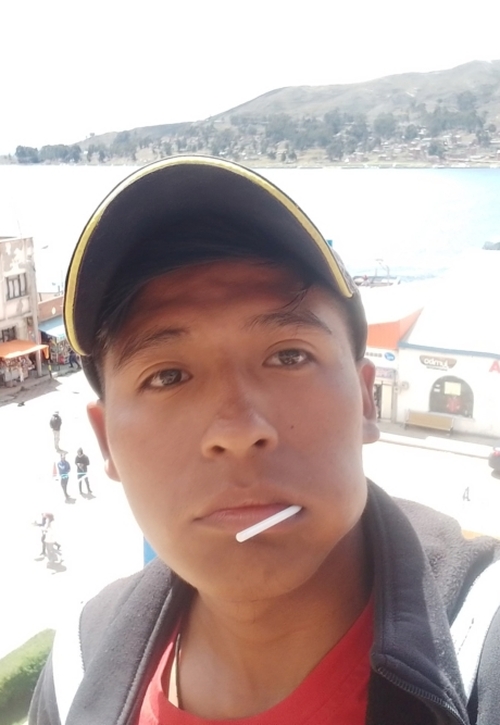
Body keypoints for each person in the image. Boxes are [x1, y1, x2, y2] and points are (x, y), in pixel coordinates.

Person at [30, 157, 500, 725]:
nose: (237, 431)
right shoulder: (79, 666)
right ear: (106, 441)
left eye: (289, 356)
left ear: (365, 399)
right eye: (168, 376)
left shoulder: (484, 641)